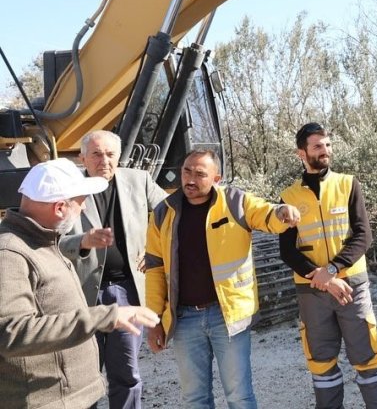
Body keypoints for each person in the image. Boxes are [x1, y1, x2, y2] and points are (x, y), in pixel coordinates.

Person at [144, 149, 301, 409]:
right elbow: (155, 267)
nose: (190, 179)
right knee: (194, 399)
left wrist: (281, 212)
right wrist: (153, 320)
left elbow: (265, 214)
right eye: (186, 171)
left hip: (227, 316)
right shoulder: (163, 212)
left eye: (200, 174)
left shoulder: (235, 201)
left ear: (217, 178)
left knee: (239, 396)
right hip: (184, 319)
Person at [0, 159, 160, 408]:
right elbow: (12, 332)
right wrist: (105, 317)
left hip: (70, 397)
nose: (84, 208)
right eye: (80, 201)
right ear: (60, 207)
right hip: (47, 401)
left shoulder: (44, 242)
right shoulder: (10, 254)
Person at [279, 123, 377, 409]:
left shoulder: (347, 184)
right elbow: (287, 251)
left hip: (352, 285)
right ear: (301, 153)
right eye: (317, 146)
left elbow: (363, 235)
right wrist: (323, 278)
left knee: (367, 356)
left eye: (327, 145)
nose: (325, 151)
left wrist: (331, 270)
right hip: (311, 290)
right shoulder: (288, 197)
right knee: (320, 360)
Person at [60, 130, 168, 409]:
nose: (104, 161)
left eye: (110, 154)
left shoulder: (139, 180)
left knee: (127, 373)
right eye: (96, 154)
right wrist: (82, 241)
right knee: (83, 376)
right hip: (81, 296)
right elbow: (51, 241)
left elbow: (172, 215)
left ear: (119, 157)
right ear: (82, 157)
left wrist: (158, 251)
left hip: (127, 292)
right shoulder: (67, 189)